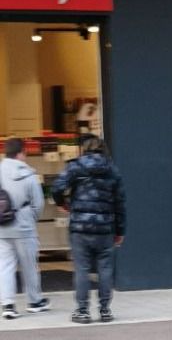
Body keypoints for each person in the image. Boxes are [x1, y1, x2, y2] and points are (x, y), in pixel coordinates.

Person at [52, 134, 126, 324]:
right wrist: (120, 231)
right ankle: (105, 310)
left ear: (83, 148)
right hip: (105, 228)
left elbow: (57, 188)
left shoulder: (75, 166)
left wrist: (64, 203)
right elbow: (120, 204)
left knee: (82, 269)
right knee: (105, 269)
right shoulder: (112, 170)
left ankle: (83, 311)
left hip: (80, 228)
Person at [0, 137, 50, 320]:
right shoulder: (28, 174)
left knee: (4, 266)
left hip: (2, 227)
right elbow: (38, 203)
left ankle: (8, 305)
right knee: (30, 265)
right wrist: (30, 218)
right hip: (24, 227)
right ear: (21, 153)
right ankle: (34, 302)